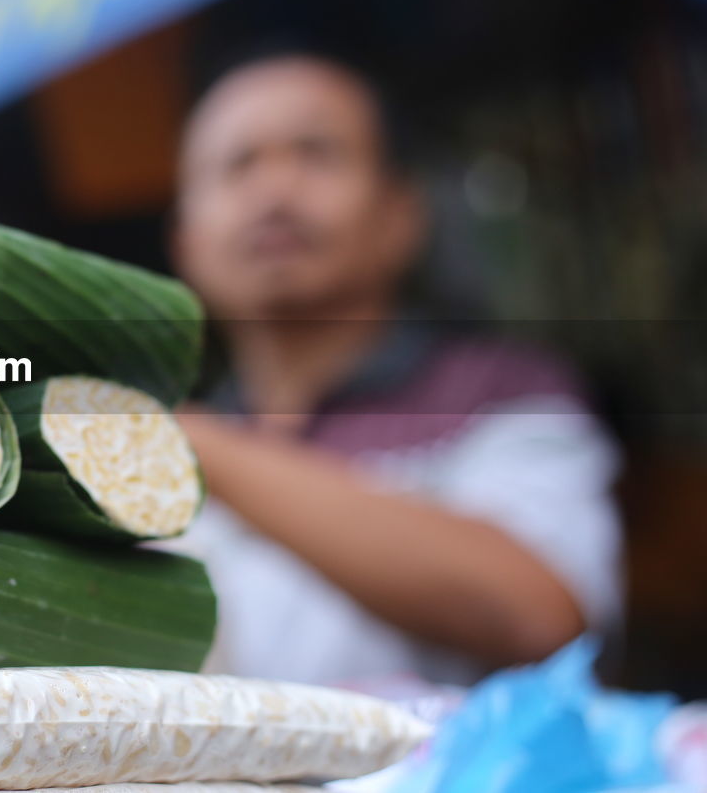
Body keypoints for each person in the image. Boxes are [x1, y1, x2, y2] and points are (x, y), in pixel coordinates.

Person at [169, 48, 623, 686]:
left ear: (399, 216)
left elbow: (540, 617)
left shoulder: (499, 392)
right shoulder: (150, 461)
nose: (274, 191)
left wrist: (204, 448)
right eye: (237, 165)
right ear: (186, 242)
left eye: (316, 152)